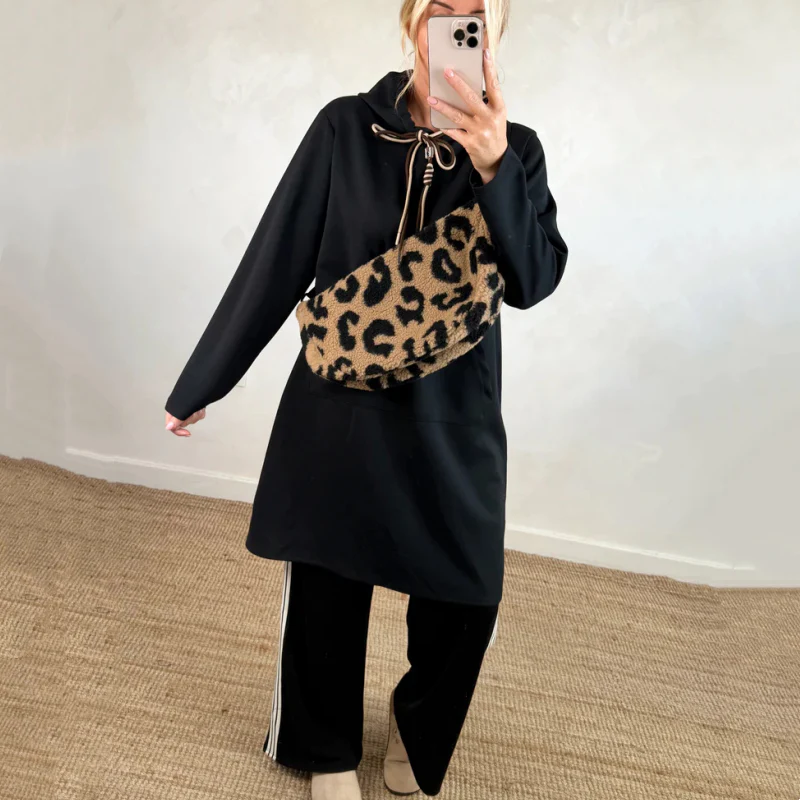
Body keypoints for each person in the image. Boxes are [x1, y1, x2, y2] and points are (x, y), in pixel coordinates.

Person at [164, 0, 567, 796]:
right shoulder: (345, 128)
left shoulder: (515, 148)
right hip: (338, 406)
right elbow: (276, 257)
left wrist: (494, 169)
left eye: (476, 15)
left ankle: (418, 729)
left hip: (453, 410)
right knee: (326, 578)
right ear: (412, 21)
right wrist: (204, 381)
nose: (458, 25)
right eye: (442, 10)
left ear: (495, 33)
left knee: (466, 594)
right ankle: (325, 751)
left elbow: (535, 279)